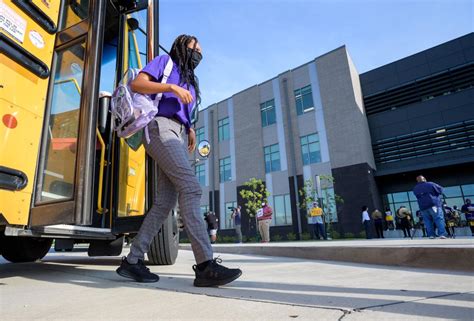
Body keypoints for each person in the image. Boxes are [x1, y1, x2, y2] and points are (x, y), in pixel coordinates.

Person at [116, 35, 242, 287]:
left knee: (165, 203)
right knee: (191, 188)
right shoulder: (165, 63)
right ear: (181, 47)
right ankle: (205, 265)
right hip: (158, 127)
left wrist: (190, 128)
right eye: (194, 49)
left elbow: (183, 111)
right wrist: (171, 87)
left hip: (179, 133)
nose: (198, 55)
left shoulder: (191, 83)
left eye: (201, 53)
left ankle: (132, 261)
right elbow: (138, 85)